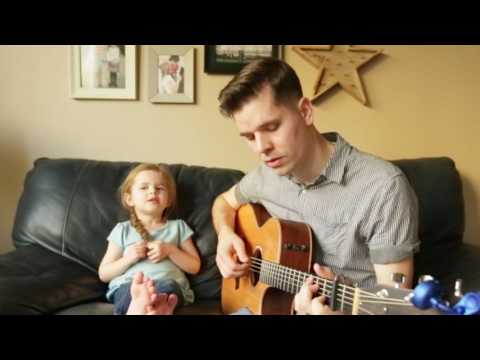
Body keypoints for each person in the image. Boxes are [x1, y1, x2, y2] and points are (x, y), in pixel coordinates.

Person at [211, 58, 420, 315]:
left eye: (271, 127)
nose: (261, 148)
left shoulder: (384, 189)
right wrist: (225, 236)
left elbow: (394, 309)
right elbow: (223, 203)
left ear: (306, 111)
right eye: (249, 137)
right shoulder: (266, 175)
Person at [98, 163, 201, 315]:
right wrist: (129, 258)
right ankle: (145, 307)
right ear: (129, 199)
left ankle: (148, 307)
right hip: (130, 285)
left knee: (168, 288)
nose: (152, 191)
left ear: (169, 200)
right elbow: (104, 273)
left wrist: (170, 250)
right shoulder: (123, 230)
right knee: (130, 291)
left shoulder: (178, 227)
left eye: (159, 188)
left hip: (168, 284)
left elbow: (194, 266)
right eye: (144, 187)